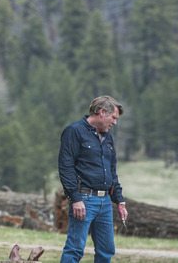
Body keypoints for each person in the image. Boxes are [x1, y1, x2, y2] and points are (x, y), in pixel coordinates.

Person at [58, 95, 128, 263]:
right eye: (113, 118)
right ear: (102, 113)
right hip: (84, 200)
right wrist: (75, 199)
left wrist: (119, 201)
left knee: (106, 251)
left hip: (105, 203)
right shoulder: (74, 131)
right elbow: (65, 168)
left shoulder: (108, 137)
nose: (115, 123)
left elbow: (112, 171)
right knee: (75, 249)